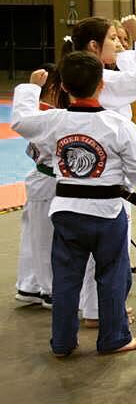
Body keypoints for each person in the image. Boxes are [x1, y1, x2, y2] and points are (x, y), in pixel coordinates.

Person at [12, 53, 136, 356]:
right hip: (107, 211)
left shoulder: (55, 120)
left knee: (65, 278)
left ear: (62, 87)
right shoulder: (117, 124)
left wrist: (30, 89)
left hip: (67, 210)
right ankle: (114, 338)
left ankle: (62, 343)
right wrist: (122, 186)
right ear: (102, 85)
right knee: (113, 273)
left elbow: (21, 121)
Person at [63, 16, 136, 327]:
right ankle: (101, 312)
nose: (119, 45)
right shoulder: (102, 81)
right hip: (109, 178)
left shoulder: (77, 74)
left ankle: (95, 309)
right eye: (113, 39)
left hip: (80, 177)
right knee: (108, 251)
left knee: (88, 254)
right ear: (94, 46)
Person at [14, 64, 66, 310]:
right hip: (47, 183)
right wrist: (32, 87)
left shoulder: (47, 113)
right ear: (54, 88)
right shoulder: (47, 116)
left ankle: (29, 285)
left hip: (40, 181)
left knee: (33, 236)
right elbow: (21, 119)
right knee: (46, 239)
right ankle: (49, 290)